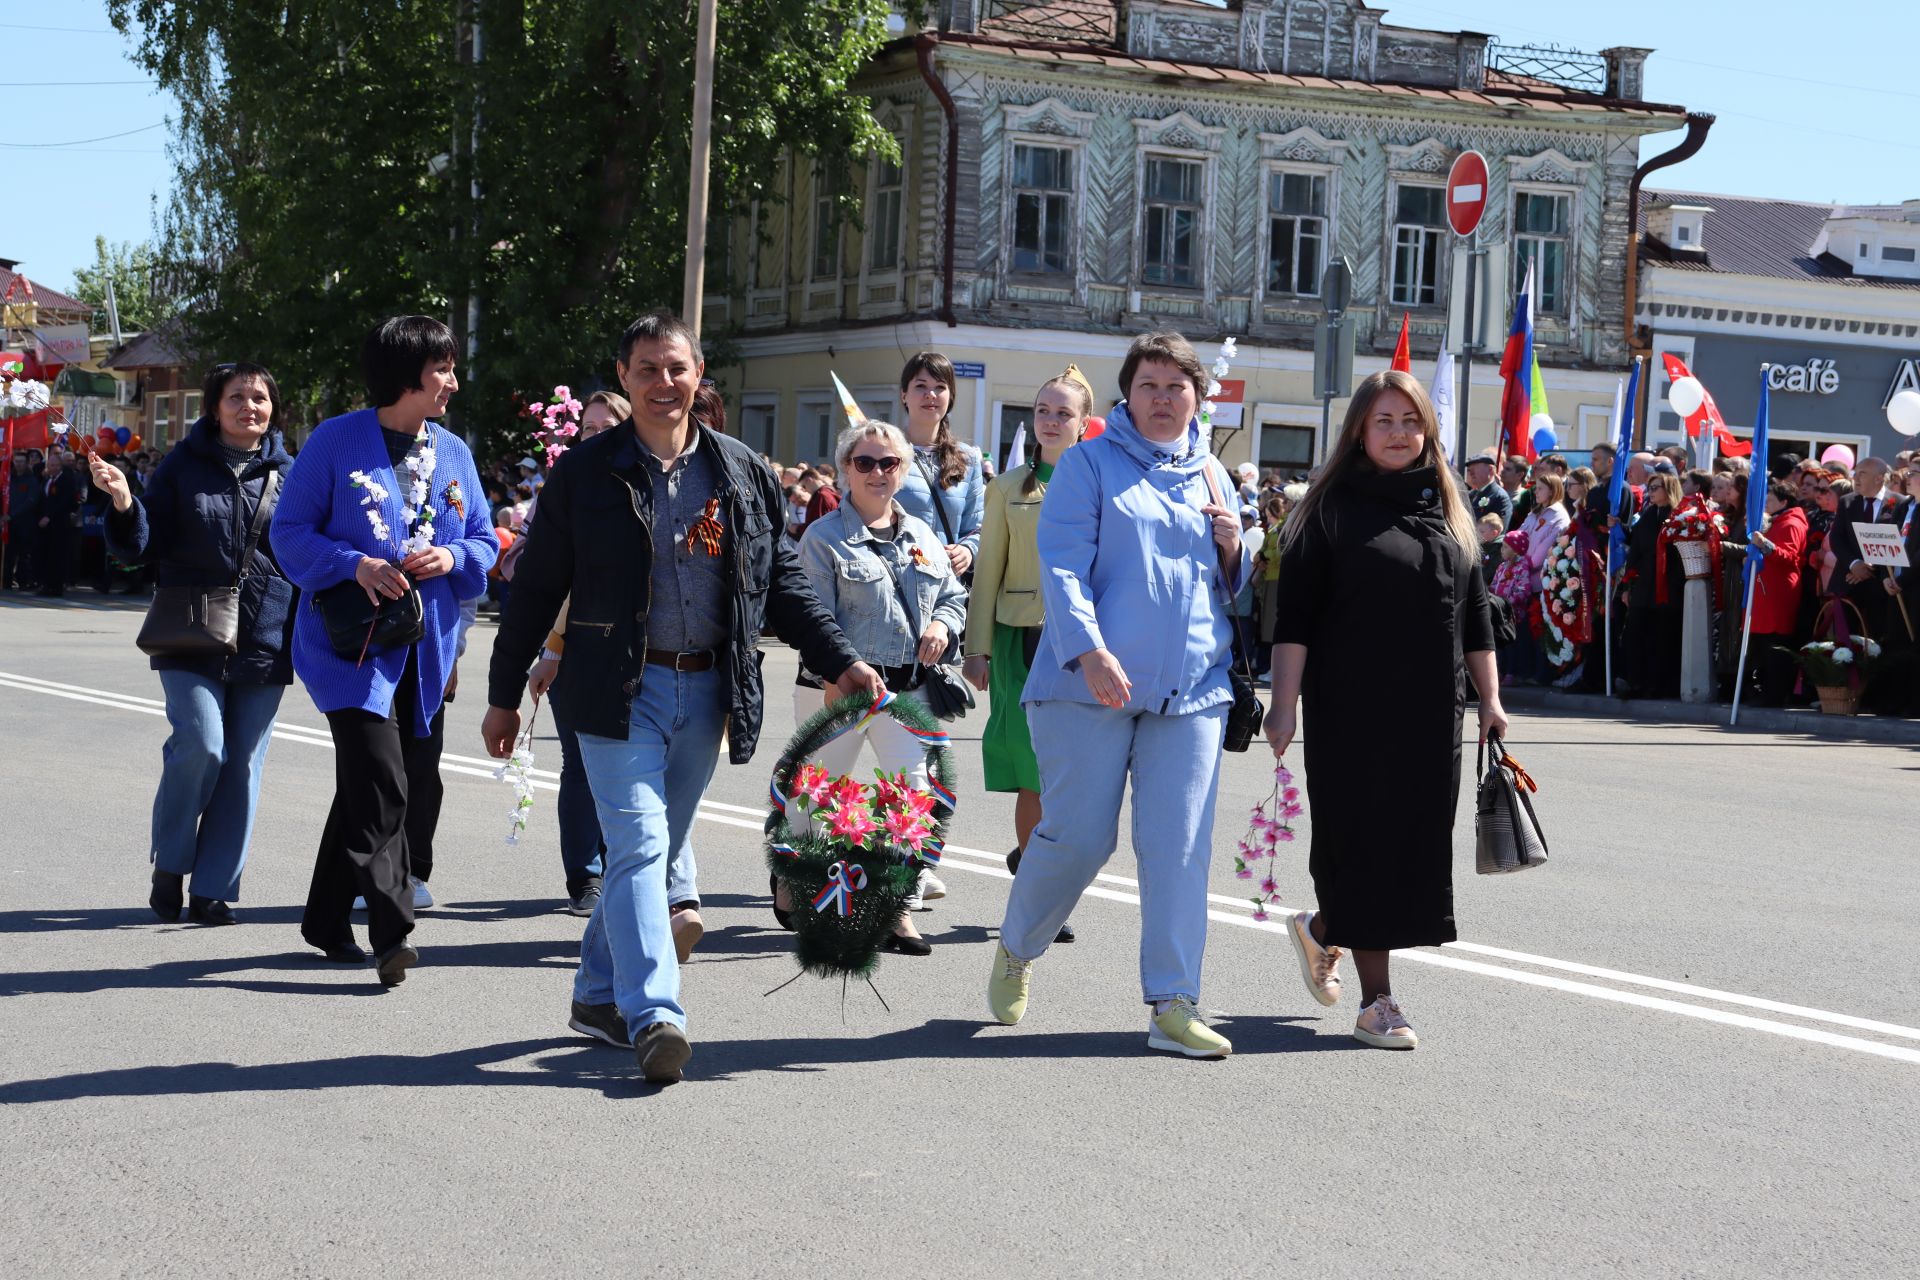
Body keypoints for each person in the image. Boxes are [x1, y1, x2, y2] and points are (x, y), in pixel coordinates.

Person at [482, 310, 882, 1084]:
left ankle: (597, 995)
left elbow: (783, 586)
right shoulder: (585, 472)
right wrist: (504, 694)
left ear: (699, 374)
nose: (663, 383)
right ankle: (655, 1013)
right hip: (610, 685)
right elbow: (536, 589)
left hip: (706, 688)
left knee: (652, 846)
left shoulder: (739, 470)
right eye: (645, 370)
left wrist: (840, 658)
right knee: (637, 847)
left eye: (676, 368)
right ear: (623, 378)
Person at [986, 330, 1254, 1061]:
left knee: (1180, 848)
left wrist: (1236, 551)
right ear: (1126, 396)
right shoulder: (1088, 464)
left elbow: (1235, 589)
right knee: (1079, 839)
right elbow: (1062, 565)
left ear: (1198, 397)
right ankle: (1016, 945)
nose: (1164, 399)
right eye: (1150, 386)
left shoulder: (1211, 473)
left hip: (1193, 690)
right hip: (1087, 685)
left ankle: (1173, 1003)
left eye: (1177, 387)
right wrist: (1089, 649)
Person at [1267, 369, 1505, 1050]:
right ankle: (1378, 1002)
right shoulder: (1329, 510)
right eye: (1384, 422)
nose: (1399, 434)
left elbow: (1476, 616)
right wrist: (1282, 707)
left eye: (1410, 421)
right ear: (1359, 432)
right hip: (1351, 715)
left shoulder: (1446, 507)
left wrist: (1490, 699)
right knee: (1363, 846)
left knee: (1412, 851)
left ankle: (1322, 930)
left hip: (1433, 717)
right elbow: (1296, 620)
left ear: (1427, 430)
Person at [272, 316, 497, 986]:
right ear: (408, 374)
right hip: (352, 648)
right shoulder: (335, 441)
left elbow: (485, 540)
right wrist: (353, 563)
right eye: (443, 370)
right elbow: (288, 533)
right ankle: (393, 929)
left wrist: (452, 552)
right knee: (384, 783)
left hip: (425, 651)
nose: (454, 382)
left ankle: (323, 917)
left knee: (386, 782)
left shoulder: (453, 452)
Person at [95, 362, 296, 925]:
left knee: (243, 766)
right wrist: (123, 502)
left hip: (264, 633)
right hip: (189, 629)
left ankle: (213, 888)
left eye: (259, 398)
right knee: (202, 745)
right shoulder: (183, 467)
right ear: (213, 408)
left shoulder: (292, 474)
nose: (249, 407)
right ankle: (172, 864)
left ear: (272, 410)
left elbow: (306, 551)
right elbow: (143, 542)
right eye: (236, 397)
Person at [789, 419, 969, 955]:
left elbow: (953, 597)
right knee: (813, 797)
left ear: (903, 470)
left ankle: (896, 910)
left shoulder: (921, 534)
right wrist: (841, 669)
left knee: (912, 794)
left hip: (905, 691)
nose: (877, 472)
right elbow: (811, 618)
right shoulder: (824, 539)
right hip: (839, 687)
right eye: (864, 462)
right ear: (845, 468)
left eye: (888, 463)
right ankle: (793, 880)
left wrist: (942, 625)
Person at [963, 368, 1093, 946]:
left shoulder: (1099, 482)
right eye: (1043, 409)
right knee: (1030, 769)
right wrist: (978, 648)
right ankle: (1037, 891)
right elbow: (987, 569)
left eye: (1063, 412)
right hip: (1022, 638)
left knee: (1073, 771)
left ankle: (1039, 871)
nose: (1050, 420)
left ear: (1084, 423)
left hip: (1083, 642)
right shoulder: (1008, 487)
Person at [521, 389, 632, 918]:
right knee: (580, 768)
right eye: (587, 427)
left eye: (607, 424)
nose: (596, 433)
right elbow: (554, 581)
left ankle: (625, 871)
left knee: (632, 767)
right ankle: (584, 877)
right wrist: (552, 649)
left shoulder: (645, 482)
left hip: (635, 654)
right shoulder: (566, 487)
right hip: (571, 647)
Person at [893, 352, 984, 578]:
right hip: (894, 581)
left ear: (950, 396)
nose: (931, 395)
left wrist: (968, 549)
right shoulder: (882, 453)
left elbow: (977, 528)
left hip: (946, 589)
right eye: (921, 386)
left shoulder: (968, 459)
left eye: (940, 387)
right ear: (904, 394)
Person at [1621, 469, 1683, 698]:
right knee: (1636, 636)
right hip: (1644, 586)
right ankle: (1636, 682)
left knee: (1661, 639)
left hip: (1667, 588)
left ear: (1669, 490)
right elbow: (1635, 552)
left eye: (1656, 488)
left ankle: (1658, 685)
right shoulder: (1648, 515)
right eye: (1650, 488)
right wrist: (1627, 586)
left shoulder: (1679, 518)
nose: (1651, 492)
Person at [1745, 482, 1807, 706]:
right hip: (1768, 589)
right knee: (1764, 644)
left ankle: (1775, 694)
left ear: (1784, 502)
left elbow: (1789, 557)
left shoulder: (1791, 523)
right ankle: (1766, 690)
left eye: (1770, 499)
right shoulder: (1778, 521)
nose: (1766, 503)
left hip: (1778, 591)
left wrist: (1764, 545)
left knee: (1775, 645)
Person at [33, 447, 81, 597]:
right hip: (45, 525)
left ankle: (56, 586)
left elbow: (66, 502)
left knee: (58, 556)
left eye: (56, 465)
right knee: (45, 554)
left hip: (59, 524)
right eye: (51, 465)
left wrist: (50, 516)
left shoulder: (67, 480)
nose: (53, 468)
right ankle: (46, 584)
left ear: (61, 466)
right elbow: (43, 500)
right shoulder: (47, 480)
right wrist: (40, 516)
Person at [4, 451, 41, 590]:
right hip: (10, 524)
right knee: (9, 554)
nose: (18, 464)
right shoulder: (9, 479)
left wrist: (12, 514)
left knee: (24, 555)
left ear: (26, 463)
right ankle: (6, 581)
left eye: (21, 462)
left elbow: (31, 501)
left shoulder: (31, 480)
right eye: (16, 461)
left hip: (25, 524)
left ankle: (23, 581)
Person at [1462, 450, 1511, 528]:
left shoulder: (1499, 497)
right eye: (1469, 469)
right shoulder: (1471, 495)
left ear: (1490, 470)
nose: (1471, 473)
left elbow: (1498, 531)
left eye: (1475, 468)